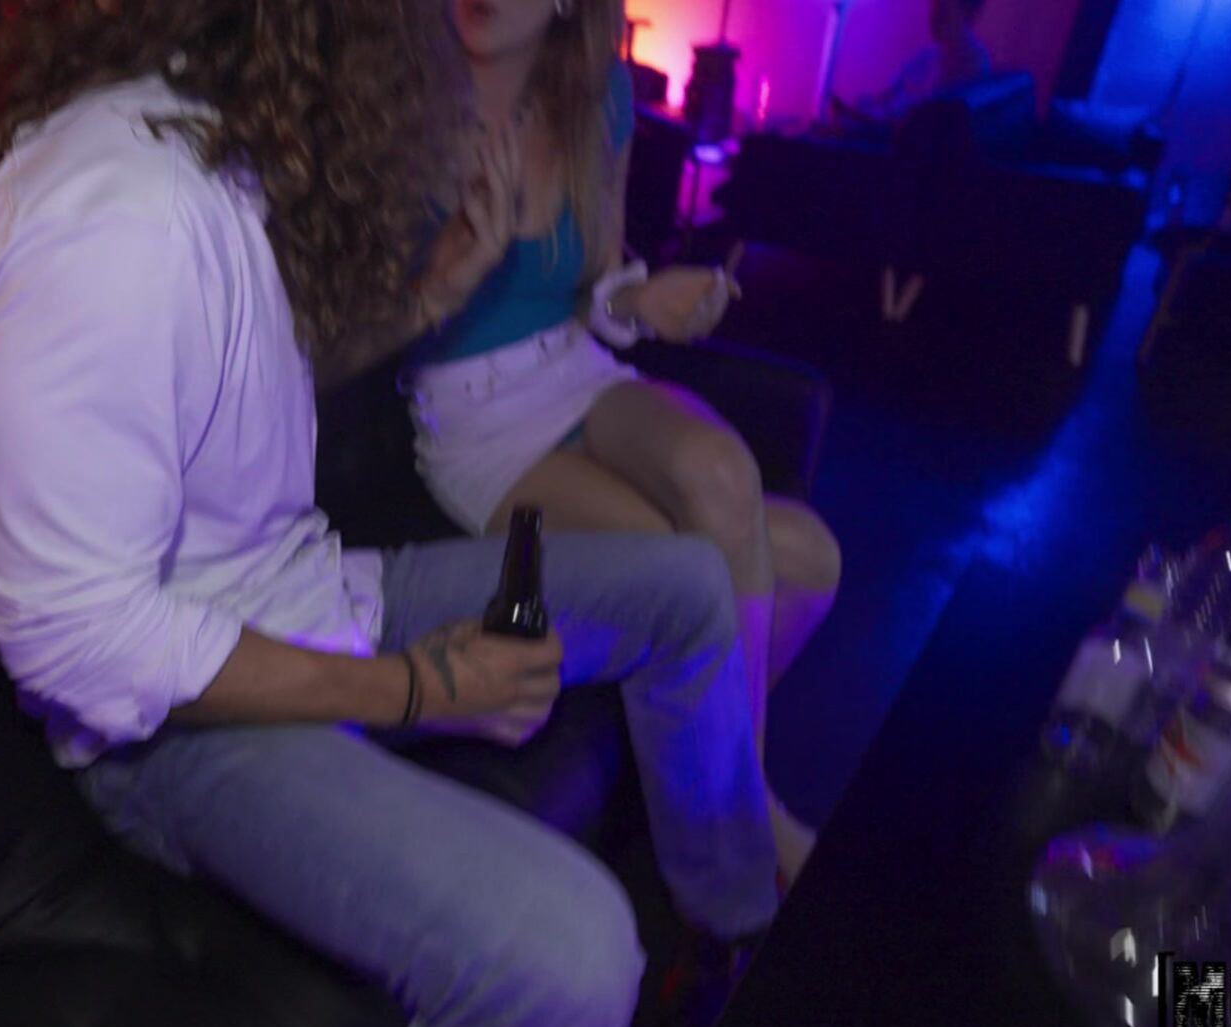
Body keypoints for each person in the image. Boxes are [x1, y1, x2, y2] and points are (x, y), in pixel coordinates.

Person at [0, 1, 780, 1027]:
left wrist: (441, 289)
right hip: (176, 727)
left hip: (308, 596)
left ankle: (733, 931)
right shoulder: (118, 219)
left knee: (688, 588)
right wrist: (416, 688)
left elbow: (261, 375)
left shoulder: (209, 143)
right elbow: (76, 638)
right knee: (573, 963)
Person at [318, 0, 839, 882]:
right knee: (707, 573)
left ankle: (721, 786)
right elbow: (343, 326)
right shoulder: (397, 93)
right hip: (474, 421)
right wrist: (442, 272)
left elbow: (595, 284)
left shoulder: (599, 95)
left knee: (796, 539)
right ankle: (736, 838)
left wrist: (641, 301)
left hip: (574, 367)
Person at [832, 0, 991, 130]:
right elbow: (888, 98)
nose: (933, 17)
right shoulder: (924, 59)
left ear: (967, 13)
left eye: (943, 10)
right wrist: (864, 109)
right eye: (934, 6)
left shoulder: (973, 65)